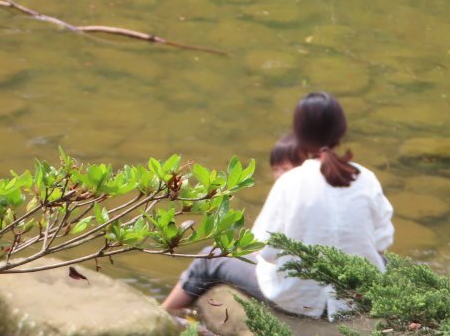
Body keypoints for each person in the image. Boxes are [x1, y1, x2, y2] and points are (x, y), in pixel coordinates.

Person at [162, 91, 394, 320]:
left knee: (209, 259)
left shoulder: (291, 182)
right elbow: (382, 243)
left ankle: (162, 316)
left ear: (299, 133)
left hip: (298, 300)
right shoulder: (366, 178)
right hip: (356, 299)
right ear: (341, 130)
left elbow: (265, 249)